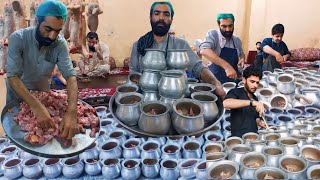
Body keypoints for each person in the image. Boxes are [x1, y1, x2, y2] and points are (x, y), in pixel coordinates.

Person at [5, 0, 78, 140]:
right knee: (17, 136)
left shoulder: (59, 44)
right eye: (48, 29)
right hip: (17, 98)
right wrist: (36, 107)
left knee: (42, 137)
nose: (52, 36)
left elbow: (70, 76)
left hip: (42, 95)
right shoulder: (18, 39)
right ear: (37, 21)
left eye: (57, 31)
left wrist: (72, 112)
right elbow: (13, 76)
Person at [129, 1, 225, 98]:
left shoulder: (181, 45)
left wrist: (215, 82)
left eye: (166, 14)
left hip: (176, 102)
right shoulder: (139, 45)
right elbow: (133, 76)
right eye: (157, 13)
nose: (161, 18)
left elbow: (198, 68)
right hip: (146, 102)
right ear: (150, 17)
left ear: (171, 19)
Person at [199, 13, 245, 84]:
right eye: (224, 26)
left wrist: (242, 58)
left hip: (232, 80)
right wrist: (227, 66)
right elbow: (204, 50)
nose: (228, 29)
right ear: (218, 24)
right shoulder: (213, 35)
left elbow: (241, 53)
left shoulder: (237, 40)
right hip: (215, 80)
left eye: (230, 26)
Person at [223, 65, 267, 137]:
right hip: (239, 139)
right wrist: (251, 102)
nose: (255, 85)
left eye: (257, 82)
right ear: (244, 80)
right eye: (252, 81)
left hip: (253, 138)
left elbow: (256, 118)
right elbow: (226, 103)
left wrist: (260, 123)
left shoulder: (255, 98)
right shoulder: (236, 92)